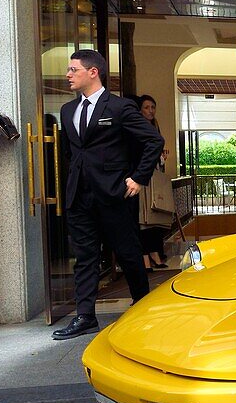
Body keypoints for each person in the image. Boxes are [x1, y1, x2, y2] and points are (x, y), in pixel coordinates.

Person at [54, 50, 163, 340]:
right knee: (86, 257)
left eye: (73, 69)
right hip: (79, 196)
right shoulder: (67, 111)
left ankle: (143, 307)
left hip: (114, 194)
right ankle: (85, 317)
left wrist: (138, 178)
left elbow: (153, 141)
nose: (68, 75)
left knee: (128, 255)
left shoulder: (119, 108)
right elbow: (71, 152)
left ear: (93, 72)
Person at [135, 95, 170, 271]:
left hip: (154, 177)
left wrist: (162, 157)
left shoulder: (155, 126)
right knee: (144, 220)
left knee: (155, 218)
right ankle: (145, 257)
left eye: (153, 107)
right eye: (147, 107)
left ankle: (154, 253)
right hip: (142, 179)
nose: (150, 111)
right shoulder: (137, 126)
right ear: (140, 109)